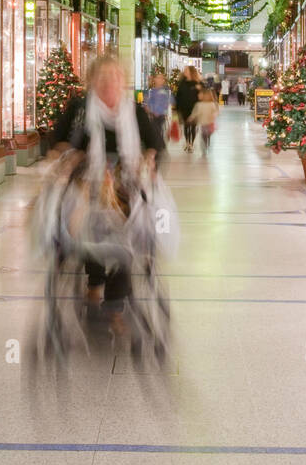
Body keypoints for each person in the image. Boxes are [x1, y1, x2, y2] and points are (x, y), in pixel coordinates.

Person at [50, 56, 162, 334]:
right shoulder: (79, 109)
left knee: (132, 235)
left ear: (123, 82)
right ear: (92, 82)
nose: (109, 83)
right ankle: (94, 279)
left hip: (127, 184)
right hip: (86, 183)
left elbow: (156, 144)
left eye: (115, 77)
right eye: (103, 78)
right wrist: (72, 158)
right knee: (90, 227)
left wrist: (148, 159)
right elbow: (56, 142)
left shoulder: (134, 112)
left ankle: (113, 301)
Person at [144, 71, 173, 149]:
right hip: (153, 114)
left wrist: (160, 111)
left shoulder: (165, 90)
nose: (157, 79)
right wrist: (148, 107)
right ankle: (160, 145)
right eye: (157, 78)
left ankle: (159, 145)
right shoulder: (152, 90)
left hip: (160, 115)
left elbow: (169, 102)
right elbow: (147, 100)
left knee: (157, 129)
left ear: (163, 80)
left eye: (160, 78)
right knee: (156, 130)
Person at [176, 66, 202, 152]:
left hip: (195, 109)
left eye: (186, 70)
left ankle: (192, 143)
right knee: (186, 126)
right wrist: (177, 108)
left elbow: (203, 95)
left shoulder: (197, 83)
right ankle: (187, 142)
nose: (184, 71)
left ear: (191, 71)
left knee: (193, 126)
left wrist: (200, 89)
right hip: (184, 108)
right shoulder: (182, 83)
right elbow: (178, 96)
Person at [190, 87, 219, 157]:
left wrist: (213, 115)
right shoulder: (199, 104)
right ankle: (204, 148)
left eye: (200, 94)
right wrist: (191, 117)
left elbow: (215, 111)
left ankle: (207, 144)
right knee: (203, 135)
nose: (198, 95)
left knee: (207, 135)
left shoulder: (211, 104)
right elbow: (195, 112)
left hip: (210, 123)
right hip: (203, 123)